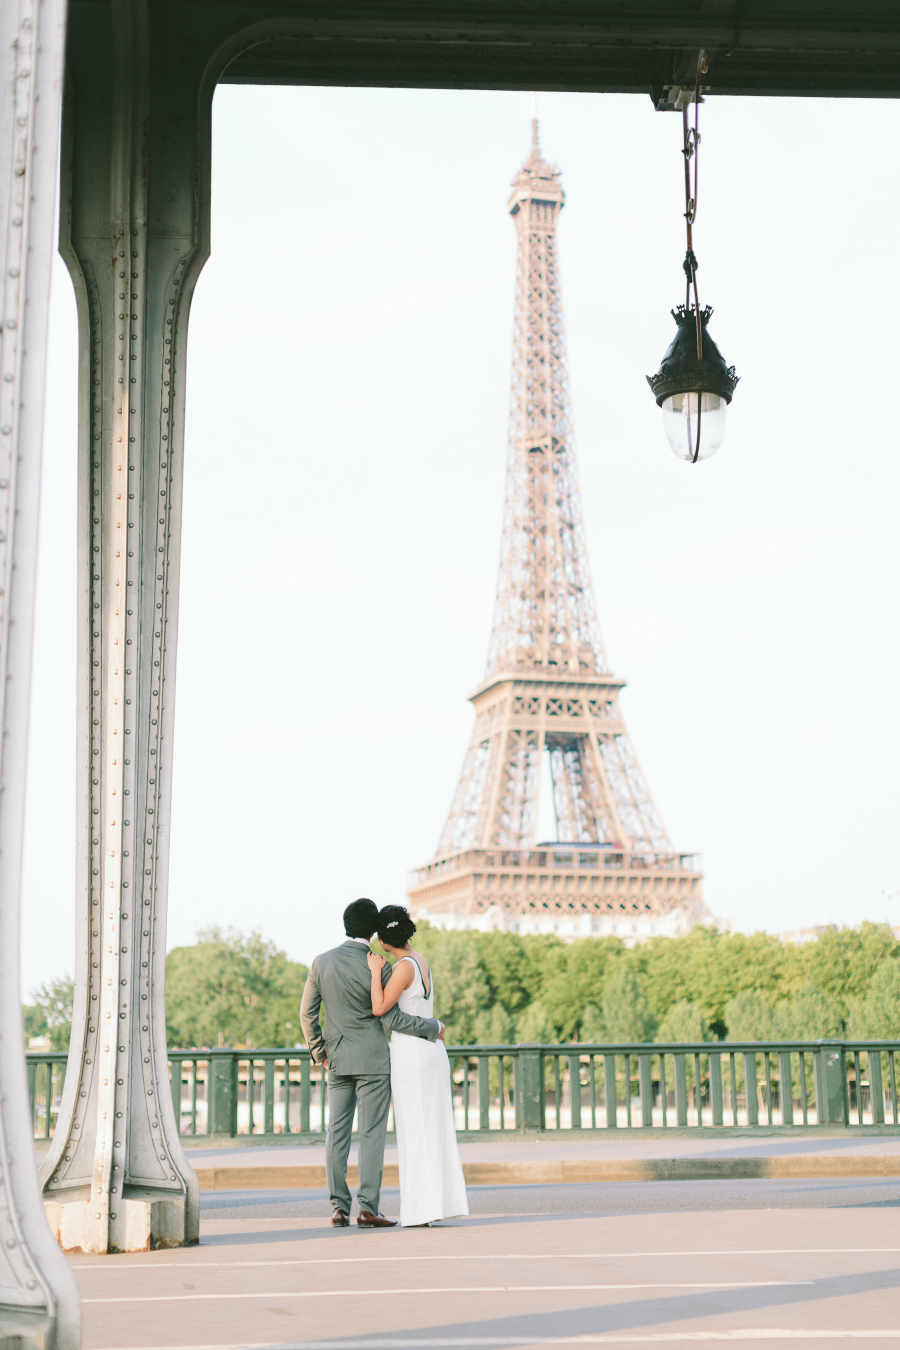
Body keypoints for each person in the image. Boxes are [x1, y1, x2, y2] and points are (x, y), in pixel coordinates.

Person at [300, 897, 445, 1229]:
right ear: (373, 932)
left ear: (346, 925)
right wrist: (431, 1027)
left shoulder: (321, 962)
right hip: (375, 1062)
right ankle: (368, 1209)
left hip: (337, 1059)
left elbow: (307, 1014)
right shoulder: (379, 964)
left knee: (336, 1134)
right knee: (371, 1135)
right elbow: (393, 1016)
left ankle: (338, 1208)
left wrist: (320, 1052)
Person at [367, 905, 468, 1228]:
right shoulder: (421, 961)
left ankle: (422, 1208)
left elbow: (381, 1008)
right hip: (432, 1050)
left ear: (383, 940)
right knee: (434, 1127)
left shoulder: (402, 968)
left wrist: (373, 972)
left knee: (414, 1129)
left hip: (411, 1051)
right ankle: (437, 1203)